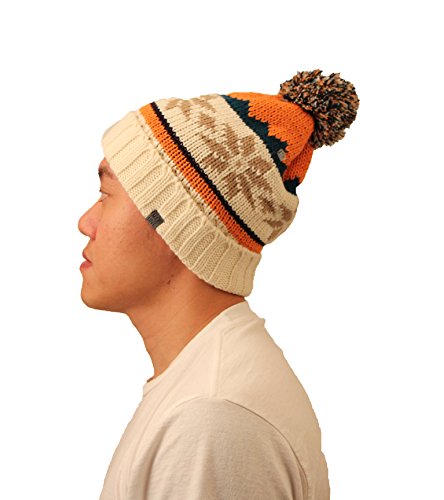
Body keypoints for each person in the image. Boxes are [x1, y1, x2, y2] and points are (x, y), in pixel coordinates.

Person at [78, 69, 359, 499]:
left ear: (175, 224)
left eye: (106, 195)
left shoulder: (210, 418)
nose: (86, 223)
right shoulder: (202, 390)